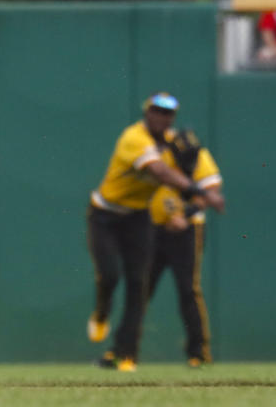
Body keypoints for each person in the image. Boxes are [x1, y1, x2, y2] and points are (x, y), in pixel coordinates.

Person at [86, 93, 222, 372]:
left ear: (172, 118)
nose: (160, 117)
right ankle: (105, 323)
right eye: (156, 111)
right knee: (114, 276)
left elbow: (210, 187)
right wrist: (193, 190)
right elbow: (160, 171)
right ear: (147, 113)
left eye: (166, 113)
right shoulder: (134, 138)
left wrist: (189, 210)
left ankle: (131, 355)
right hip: (112, 215)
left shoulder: (181, 146)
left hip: (151, 222)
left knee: (154, 286)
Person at [147, 129, 225, 368]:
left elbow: (211, 193)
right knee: (140, 289)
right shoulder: (160, 152)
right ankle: (124, 351)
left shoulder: (201, 158)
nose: (190, 161)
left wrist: (186, 215)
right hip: (154, 228)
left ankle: (198, 353)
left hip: (188, 231)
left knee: (188, 290)